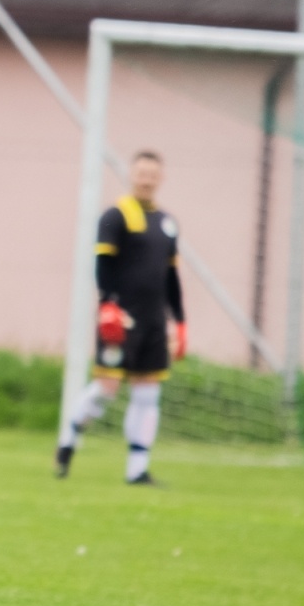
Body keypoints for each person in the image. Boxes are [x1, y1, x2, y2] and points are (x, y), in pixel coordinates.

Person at [56, 150, 186, 485]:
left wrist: (180, 321)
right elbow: (103, 263)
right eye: (142, 172)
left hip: (154, 320)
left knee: (148, 394)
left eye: (153, 174)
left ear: (162, 178)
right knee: (107, 388)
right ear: (131, 175)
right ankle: (69, 438)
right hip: (121, 318)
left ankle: (137, 470)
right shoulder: (115, 216)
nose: (147, 179)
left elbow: (171, 277)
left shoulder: (167, 223)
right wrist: (108, 303)